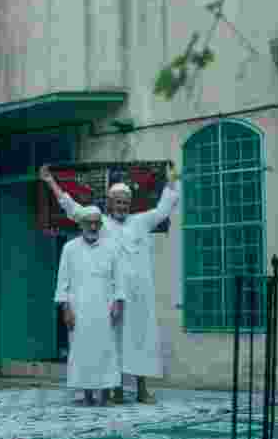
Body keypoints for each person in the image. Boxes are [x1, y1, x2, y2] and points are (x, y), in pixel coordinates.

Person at [41, 162, 181, 404]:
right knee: (114, 343)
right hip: (113, 296)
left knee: (141, 339)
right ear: (110, 203)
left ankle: (142, 389)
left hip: (139, 295)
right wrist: (51, 182)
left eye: (125, 203)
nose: (122, 206)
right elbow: (73, 209)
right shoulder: (100, 223)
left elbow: (164, 209)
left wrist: (171, 181)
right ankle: (115, 388)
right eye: (118, 202)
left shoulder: (141, 221)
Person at [54, 205, 126, 407]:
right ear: (81, 224)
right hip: (79, 310)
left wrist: (117, 304)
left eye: (97, 223)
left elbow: (119, 280)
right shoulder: (69, 249)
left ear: (101, 225)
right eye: (89, 222)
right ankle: (86, 395)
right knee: (82, 351)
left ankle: (104, 395)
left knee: (105, 350)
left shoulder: (112, 248)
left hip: (105, 308)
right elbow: (63, 282)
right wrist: (65, 309)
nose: (93, 226)